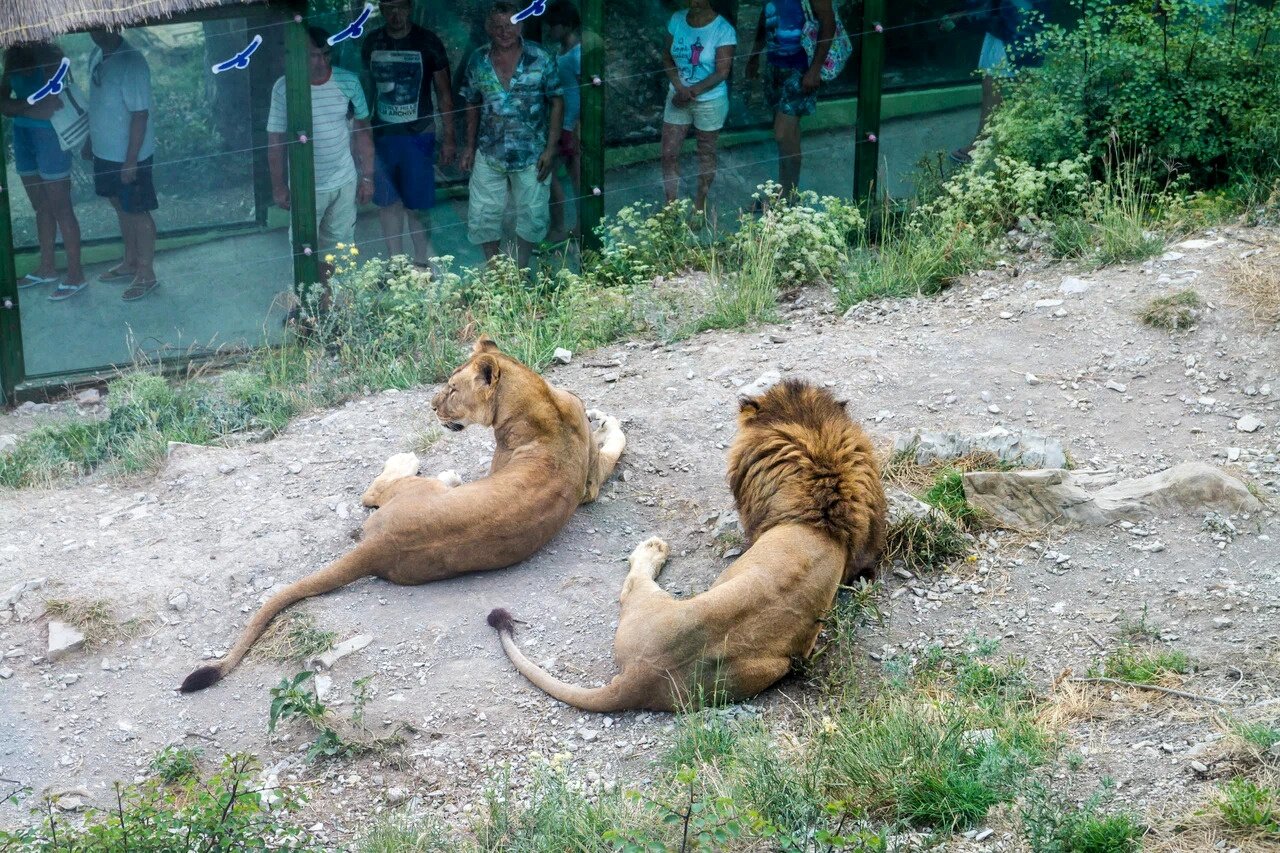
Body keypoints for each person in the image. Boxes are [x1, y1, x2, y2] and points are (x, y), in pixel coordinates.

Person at [459, 1, 564, 269]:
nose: (504, 31)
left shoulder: (541, 58)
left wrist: (551, 149)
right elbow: (471, 102)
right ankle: (496, 272)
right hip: (489, 150)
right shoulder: (477, 60)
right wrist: (469, 147)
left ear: (521, 25)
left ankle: (519, 270)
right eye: (497, 26)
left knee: (533, 214)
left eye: (510, 24)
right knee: (483, 214)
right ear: (487, 27)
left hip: (532, 153)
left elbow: (556, 101)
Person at [362, 0, 455, 267]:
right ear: (381, 8)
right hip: (383, 135)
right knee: (388, 201)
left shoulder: (428, 42)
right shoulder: (372, 42)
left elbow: (444, 94)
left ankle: (422, 261)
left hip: (419, 135)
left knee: (417, 204)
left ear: (410, 7)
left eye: (401, 6)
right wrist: (362, 137)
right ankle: (396, 264)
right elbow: (365, 91)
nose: (396, 13)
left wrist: (449, 137)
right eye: (389, 7)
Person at [267, 27, 375, 254]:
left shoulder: (348, 81)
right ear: (299, 56)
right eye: (314, 55)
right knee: (304, 251)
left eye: (326, 54)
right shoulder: (284, 88)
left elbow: (363, 132)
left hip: (344, 180)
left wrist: (367, 177)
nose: (321, 61)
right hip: (304, 185)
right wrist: (278, 186)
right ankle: (313, 291)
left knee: (340, 250)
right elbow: (275, 141)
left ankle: (333, 291)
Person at [0, 42, 86, 300]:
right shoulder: (12, 55)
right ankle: (47, 268)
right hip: (23, 133)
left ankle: (75, 275)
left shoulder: (51, 54)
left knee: (62, 207)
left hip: (50, 137)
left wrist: (18, 106)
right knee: (42, 207)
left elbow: (50, 107)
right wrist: (29, 106)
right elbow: (4, 106)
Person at [85, 29, 158, 301]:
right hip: (105, 152)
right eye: (93, 28)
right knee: (120, 206)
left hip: (130, 156)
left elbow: (140, 115)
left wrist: (131, 161)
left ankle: (147, 274)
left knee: (138, 211)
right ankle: (130, 263)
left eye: (103, 28)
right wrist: (90, 141)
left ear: (116, 25)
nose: (97, 33)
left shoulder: (132, 62)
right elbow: (100, 103)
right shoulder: (97, 54)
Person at [746, 0, 835, 199]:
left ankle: (787, 198)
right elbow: (766, 15)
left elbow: (829, 23)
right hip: (774, 66)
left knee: (782, 133)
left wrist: (815, 69)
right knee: (788, 137)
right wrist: (755, 53)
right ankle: (785, 195)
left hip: (800, 68)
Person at [661, 0, 736, 217]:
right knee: (668, 154)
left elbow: (722, 71)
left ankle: (699, 206)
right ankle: (670, 208)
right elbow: (666, 57)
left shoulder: (723, 30)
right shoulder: (677, 19)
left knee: (705, 153)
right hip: (678, 95)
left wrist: (690, 92)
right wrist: (679, 87)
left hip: (710, 100)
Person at [949, 0, 1043, 164]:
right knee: (1011, 80)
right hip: (1012, 18)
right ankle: (1025, 142)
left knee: (1000, 80)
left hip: (1012, 18)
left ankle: (984, 143)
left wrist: (964, 11)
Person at [544, 0, 581, 245]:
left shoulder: (579, 53)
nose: (549, 31)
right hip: (561, 121)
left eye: (553, 26)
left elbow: (588, 91)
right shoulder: (562, 50)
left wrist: (578, 125)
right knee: (554, 174)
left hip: (572, 123)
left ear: (566, 25)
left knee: (574, 175)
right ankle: (567, 226)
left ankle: (569, 226)